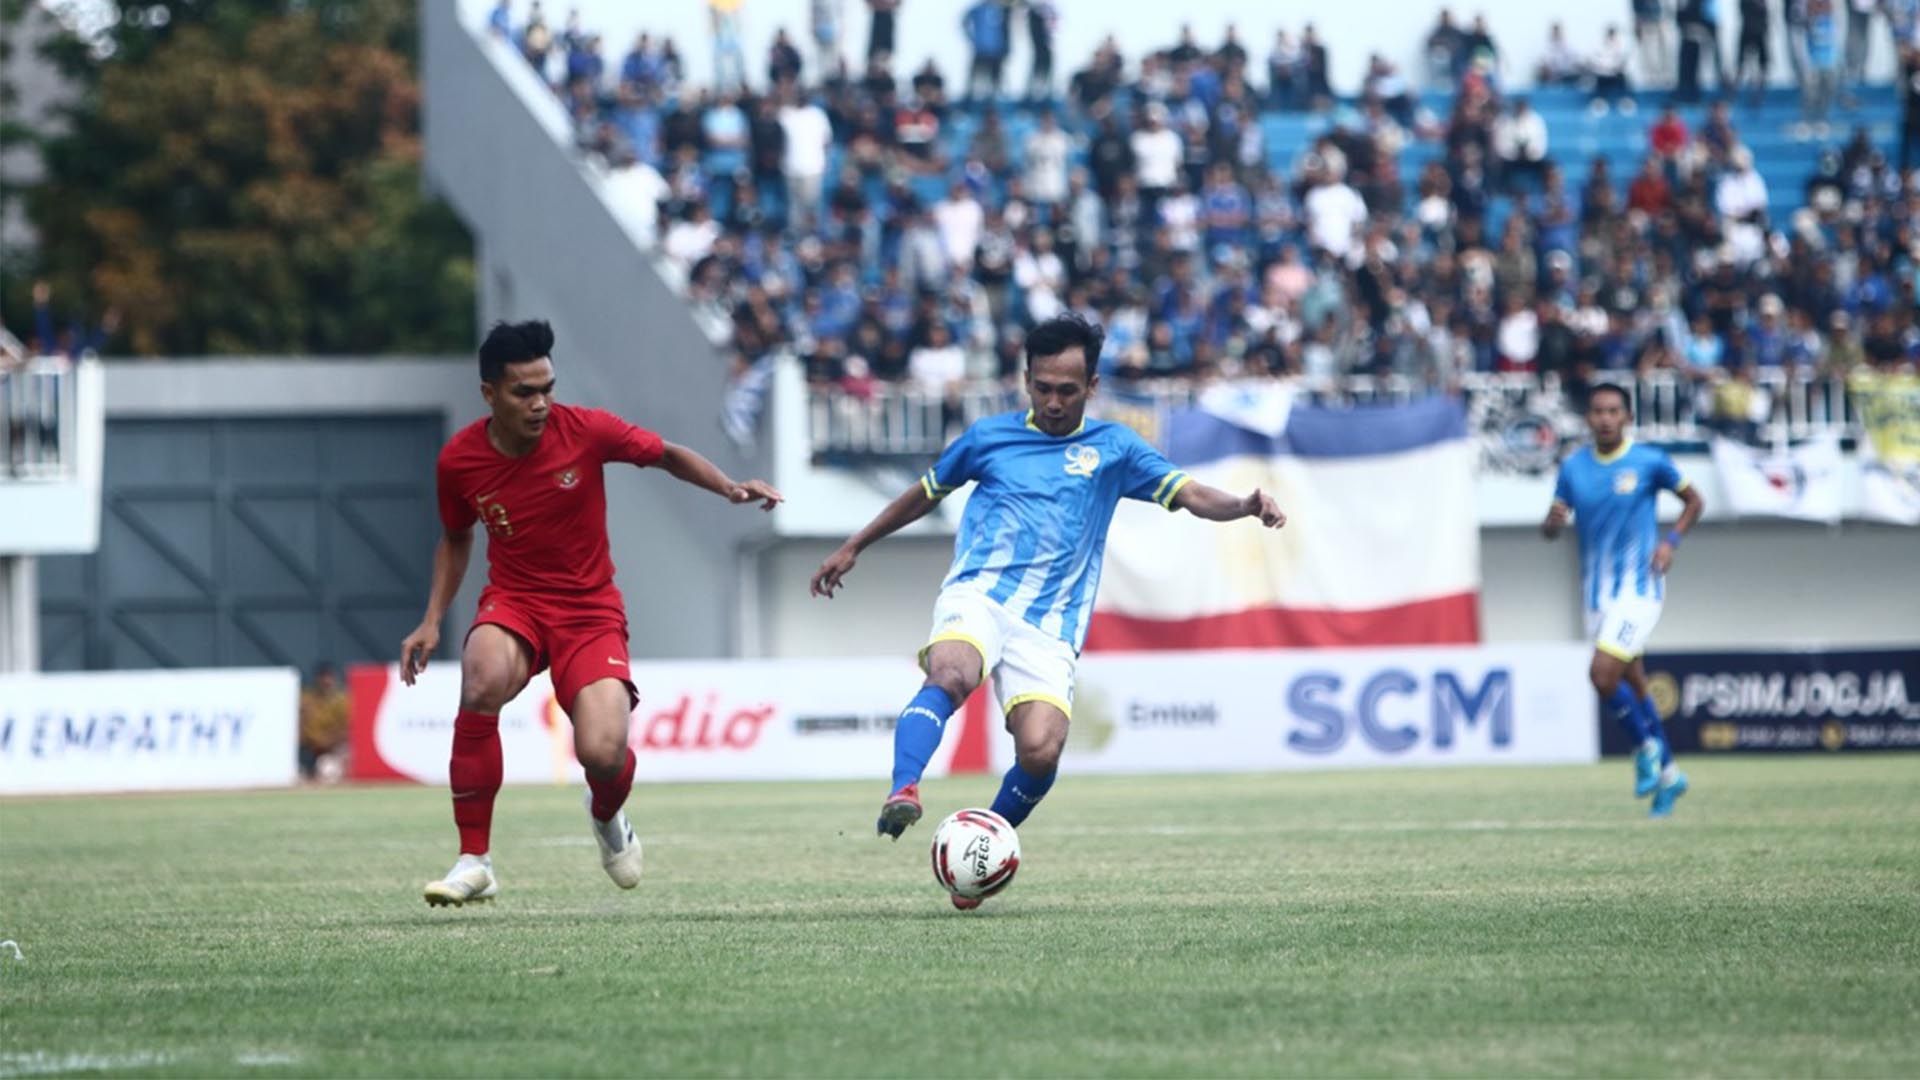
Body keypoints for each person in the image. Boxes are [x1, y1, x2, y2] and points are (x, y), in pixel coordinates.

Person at [808, 313, 1287, 909]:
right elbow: (923, 494)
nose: (1054, 401)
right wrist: (855, 545)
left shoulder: (1114, 449)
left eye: (1067, 389)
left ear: (1091, 387)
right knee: (952, 673)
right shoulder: (988, 439)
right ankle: (903, 787)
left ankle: (978, 847)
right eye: (1042, 387)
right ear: (1026, 380)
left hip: (1050, 626)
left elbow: (1189, 494)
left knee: (1040, 750)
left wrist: (1243, 504)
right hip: (978, 594)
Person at [403, 320, 783, 906]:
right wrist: (432, 619)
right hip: (516, 604)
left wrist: (729, 488)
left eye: (546, 388)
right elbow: (456, 538)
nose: (539, 403)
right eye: (523, 392)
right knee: (479, 678)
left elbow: (667, 455)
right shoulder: (459, 462)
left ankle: (607, 812)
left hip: (589, 611)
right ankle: (474, 861)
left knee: (601, 754)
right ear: (488, 395)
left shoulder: (586, 430)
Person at [1541, 383, 1705, 818]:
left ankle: (1646, 748)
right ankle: (1670, 777)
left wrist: (1670, 543)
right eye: (1598, 411)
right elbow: (1552, 526)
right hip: (1596, 595)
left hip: (1640, 590)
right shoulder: (1574, 468)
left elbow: (1694, 500)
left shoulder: (1649, 462)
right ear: (1589, 418)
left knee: (1600, 674)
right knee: (1632, 682)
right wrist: (1553, 521)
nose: (1606, 418)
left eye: (1614, 410)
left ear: (1627, 417)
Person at [298, 663, 350, 782]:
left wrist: (327, 742)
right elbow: (300, 726)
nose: (326, 681)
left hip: (333, 749)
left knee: (329, 768)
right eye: (323, 677)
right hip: (310, 749)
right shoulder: (307, 699)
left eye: (329, 677)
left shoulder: (341, 701)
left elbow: (346, 729)